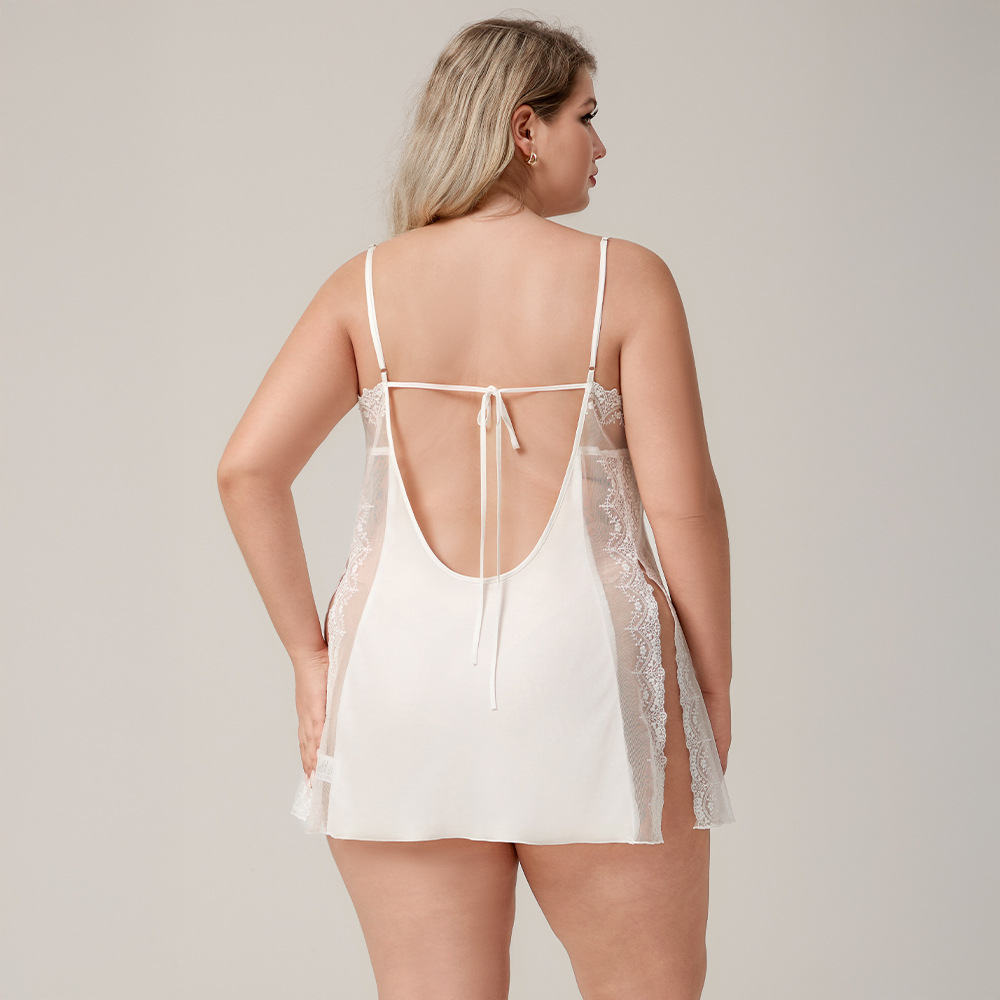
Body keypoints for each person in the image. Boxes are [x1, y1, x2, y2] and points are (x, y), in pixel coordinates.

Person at [218, 14, 735, 1000]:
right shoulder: (626, 278)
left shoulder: (364, 286)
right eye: (587, 116)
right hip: (587, 665)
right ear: (525, 128)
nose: (601, 144)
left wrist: (307, 658)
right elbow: (684, 508)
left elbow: (247, 470)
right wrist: (712, 685)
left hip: (396, 673)